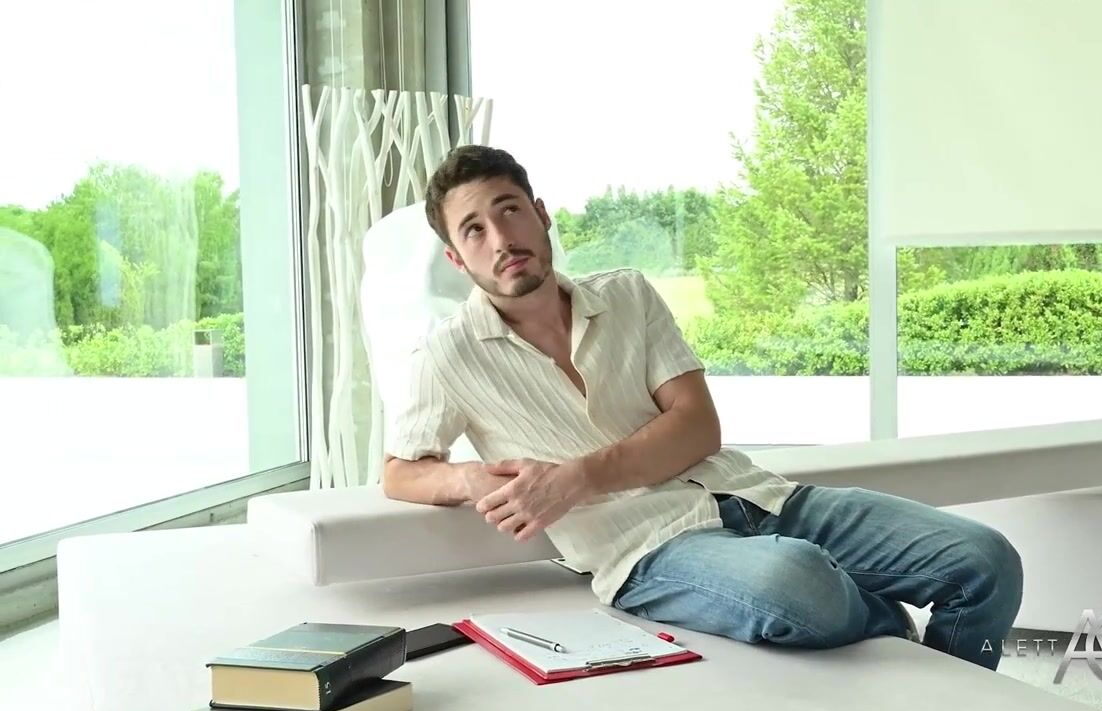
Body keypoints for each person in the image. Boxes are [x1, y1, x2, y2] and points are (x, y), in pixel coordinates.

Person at [383, 145, 1023, 670]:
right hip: (648, 552)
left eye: (510, 210)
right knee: (798, 582)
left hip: (758, 495)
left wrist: (574, 478)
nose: (501, 238)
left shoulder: (627, 295)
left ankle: (954, 701)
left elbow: (697, 426)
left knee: (985, 560)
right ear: (456, 257)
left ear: (541, 214)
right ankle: (896, 634)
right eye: (474, 229)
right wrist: (469, 479)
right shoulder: (446, 355)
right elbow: (400, 470)